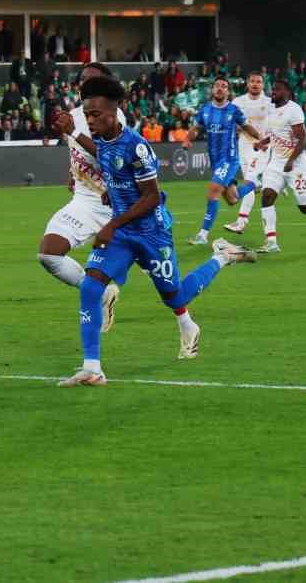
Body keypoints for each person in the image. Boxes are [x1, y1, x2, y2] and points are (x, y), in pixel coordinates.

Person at [58, 74, 256, 387]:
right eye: (87, 115)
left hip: (152, 232)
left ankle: (223, 256)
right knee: (90, 286)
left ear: (115, 113)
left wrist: (112, 223)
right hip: (123, 234)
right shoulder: (104, 140)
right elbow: (102, 154)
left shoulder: (137, 147)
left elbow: (151, 197)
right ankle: (92, 367)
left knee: (175, 295)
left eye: (96, 115)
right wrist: (73, 133)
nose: (90, 121)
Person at [38, 62, 122, 332]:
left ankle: (221, 258)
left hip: (117, 204)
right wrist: (73, 173)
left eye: (94, 80)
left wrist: (72, 131)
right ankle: (102, 293)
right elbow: (76, 150)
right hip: (84, 202)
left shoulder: (115, 117)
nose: (87, 85)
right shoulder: (73, 115)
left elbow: (111, 154)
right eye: (84, 80)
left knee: (168, 284)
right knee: (49, 254)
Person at [250, 78, 306, 254]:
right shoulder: (272, 110)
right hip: (275, 164)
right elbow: (276, 133)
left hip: (295, 166)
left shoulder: (294, 110)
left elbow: (303, 138)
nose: (273, 91)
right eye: (273, 89)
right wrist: (262, 142)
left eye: (277, 89)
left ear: (287, 93)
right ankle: (271, 242)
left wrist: (290, 161)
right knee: (267, 197)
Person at [183, 75, 264, 246]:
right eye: (217, 85)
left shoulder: (233, 110)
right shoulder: (205, 110)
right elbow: (196, 128)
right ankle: (255, 184)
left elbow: (246, 125)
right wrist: (188, 139)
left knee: (213, 190)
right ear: (212, 90)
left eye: (224, 86)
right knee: (232, 199)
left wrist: (259, 138)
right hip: (215, 159)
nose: (220, 88)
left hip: (229, 158)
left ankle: (203, 234)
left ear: (228, 91)